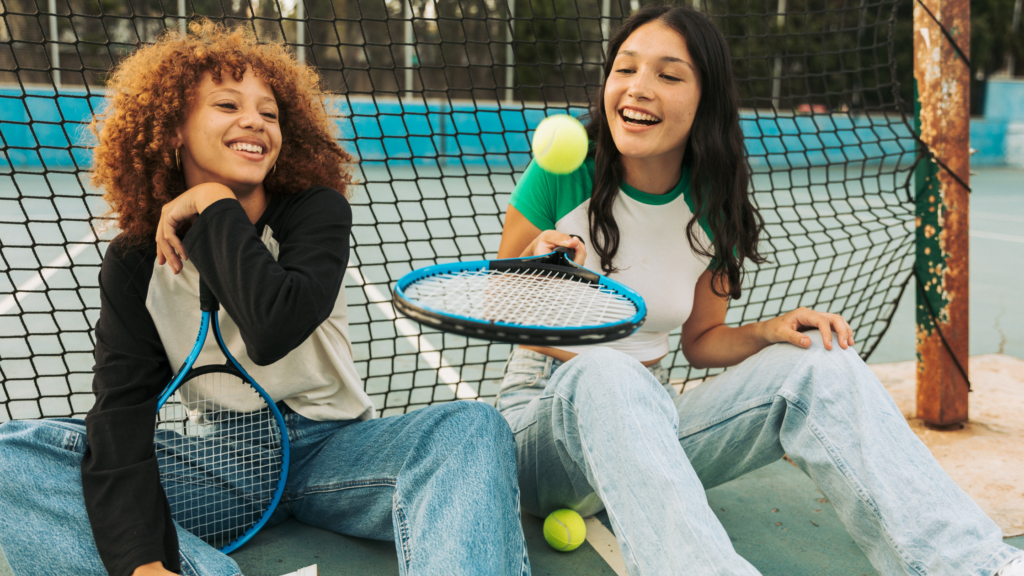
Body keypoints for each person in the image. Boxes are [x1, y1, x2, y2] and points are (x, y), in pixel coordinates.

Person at [495, 5, 1024, 576]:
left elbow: (700, 341)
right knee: (614, 374)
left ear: (706, 101)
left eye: (668, 75)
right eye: (624, 69)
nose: (637, 89)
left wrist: (769, 333)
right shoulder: (559, 171)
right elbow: (495, 303)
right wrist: (540, 277)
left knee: (819, 358)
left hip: (651, 421)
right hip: (543, 428)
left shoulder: (715, 204)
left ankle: (976, 566)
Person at [0, 21, 529, 576]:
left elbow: (274, 324)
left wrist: (211, 202)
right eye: (227, 105)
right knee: (15, 455)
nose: (254, 120)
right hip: (224, 463)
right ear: (173, 129)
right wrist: (143, 564)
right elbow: (122, 416)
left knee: (472, 428)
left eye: (270, 113)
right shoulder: (135, 262)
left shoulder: (315, 211)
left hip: (338, 450)